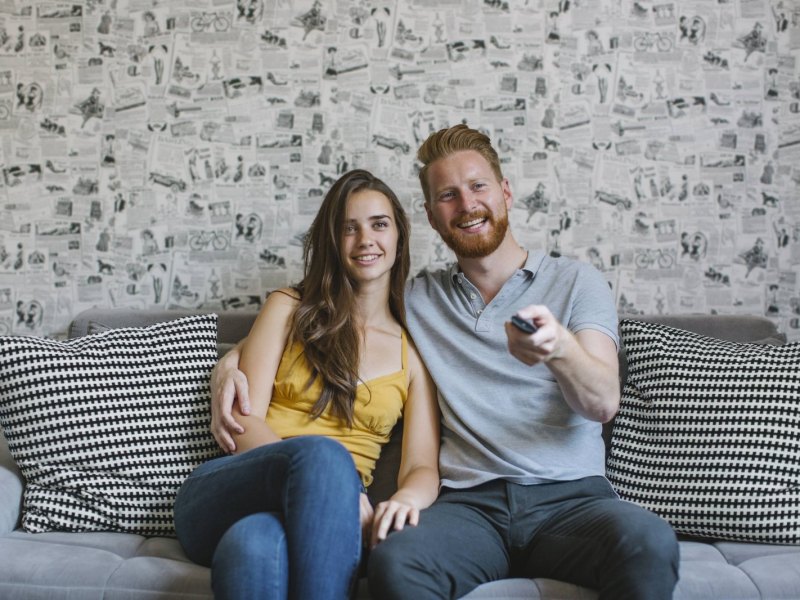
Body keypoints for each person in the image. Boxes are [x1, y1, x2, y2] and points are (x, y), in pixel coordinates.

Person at [211, 125, 679, 599]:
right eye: (448, 196)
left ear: (505, 192)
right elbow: (326, 313)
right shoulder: (416, 300)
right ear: (432, 218)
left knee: (650, 543)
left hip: (571, 499)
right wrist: (228, 363)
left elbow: (602, 401)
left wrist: (557, 348)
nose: (467, 204)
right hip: (469, 506)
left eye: (477, 187)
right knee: (397, 562)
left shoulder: (578, 282)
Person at [175, 169, 439, 600]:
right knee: (325, 457)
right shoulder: (289, 308)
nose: (365, 239)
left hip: (317, 524)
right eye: (348, 227)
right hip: (230, 489)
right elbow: (244, 420)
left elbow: (421, 466)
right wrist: (334, 483)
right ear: (333, 241)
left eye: (379, 224)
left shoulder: (414, 352)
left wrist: (405, 499)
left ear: (399, 236)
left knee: (252, 547)